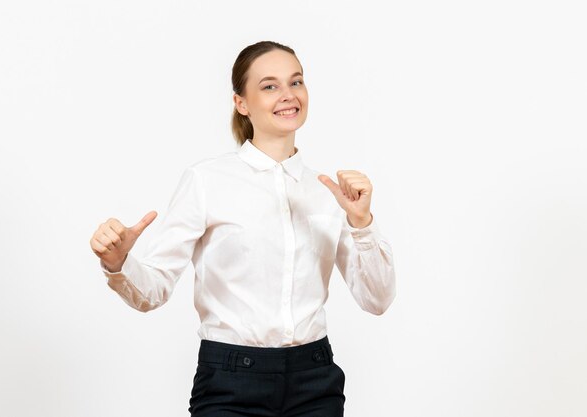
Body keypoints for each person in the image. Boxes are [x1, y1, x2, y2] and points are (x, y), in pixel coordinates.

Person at [89, 40, 396, 417]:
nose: (288, 95)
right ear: (242, 103)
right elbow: (153, 290)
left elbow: (377, 300)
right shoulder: (207, 180)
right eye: (270, 86)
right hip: (230, 381)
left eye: (296, 82)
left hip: (315, 380)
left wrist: (361, 222)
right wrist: (119, 263)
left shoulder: (330, 193)